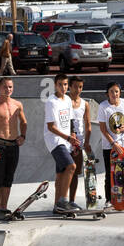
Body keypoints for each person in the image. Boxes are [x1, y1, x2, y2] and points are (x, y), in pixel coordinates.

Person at [0, 78, 27, 219]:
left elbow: (24, 122)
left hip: (13, 146)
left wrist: (23, 136)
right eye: (5, 87)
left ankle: (4, 208)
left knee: (8, 179)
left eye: (10, 87)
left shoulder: (17, 105)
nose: (7, 89)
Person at [43, 72, 78, 215]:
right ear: (55, 86)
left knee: (61, 173)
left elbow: (70, 121)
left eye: (65, 85)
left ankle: (57, 206)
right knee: (71, 166)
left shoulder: (68, 100)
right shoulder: (51, 102)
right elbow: (51, 127)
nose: (63, 87)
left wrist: (73, 137)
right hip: (54, 140)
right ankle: (63, 201)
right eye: (60, 85)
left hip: (66, 140)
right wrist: (68, 138)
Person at [97, 81, 124, 206]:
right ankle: (109, 199)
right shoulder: (103, 106)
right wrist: (113, 143)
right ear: (107, 94)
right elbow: (102, 128)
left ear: (120, 92)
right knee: (110, 172)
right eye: (112, 92)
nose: (115, 94)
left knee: (122, 173)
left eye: (117, 91)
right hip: (109, 145)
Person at [67, 74, 93, 209]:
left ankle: (71, 200)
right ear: (70, 86)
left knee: (76, 172)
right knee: (65, 171)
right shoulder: (65, 101)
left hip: (79, 142)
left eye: (80, 87)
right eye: (75, 87)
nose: (78, 90)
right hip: (66, 141)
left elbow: (88, 124)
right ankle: (62, 199)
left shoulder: (85, 104)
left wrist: (87, 142)